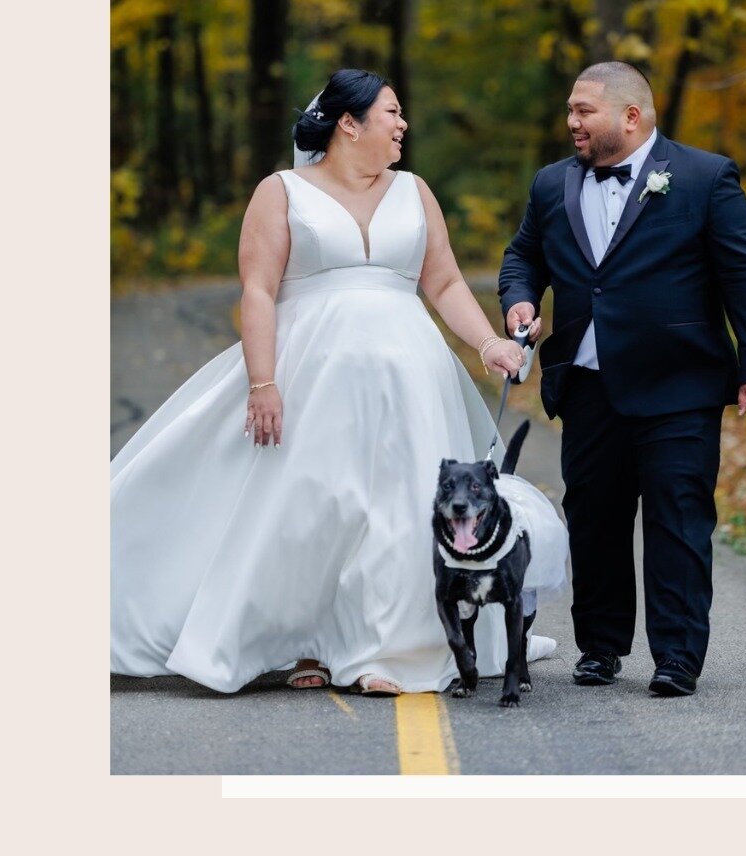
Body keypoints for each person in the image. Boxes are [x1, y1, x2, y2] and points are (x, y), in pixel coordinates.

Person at [111, 69, 569, 696]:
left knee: (399, 509)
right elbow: (258, 290)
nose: (403, 124)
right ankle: (305, 642)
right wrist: (262, 382)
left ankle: (387, 647)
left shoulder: (414, 191)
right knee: (315, 506)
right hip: (311, 373)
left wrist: (488, 343)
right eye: (392, 113)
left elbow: (444, 282)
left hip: (411, 376)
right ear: (348, 125)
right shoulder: (281, 192)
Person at [498, 61, 746, 697]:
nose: (571, 122)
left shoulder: (704, 177)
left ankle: (678, 655)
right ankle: (600, 648)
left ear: (632, 116)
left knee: (678, 517)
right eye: (570, 111)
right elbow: (524, 256)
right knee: (594, 517)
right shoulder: (551, 184)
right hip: (589, 383)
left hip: (679, 385)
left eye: (584, 111)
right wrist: (519, 298)